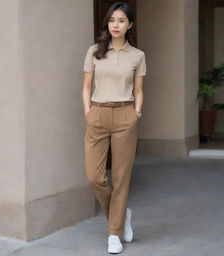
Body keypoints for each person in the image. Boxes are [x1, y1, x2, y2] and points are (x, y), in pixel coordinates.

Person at [82, 2, 146, 254]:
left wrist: (136, 113)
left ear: (130, 25)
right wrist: (88, 112)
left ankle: (113, 234)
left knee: (121, 178)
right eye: (112, 20)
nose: (115, 25)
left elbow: (139, 90)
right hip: (97, 113)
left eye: (121, 20)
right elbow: (87, 86)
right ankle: (121, 216)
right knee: (94, 177)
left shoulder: (137, 55)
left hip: (125, 115)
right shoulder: (94, 52)